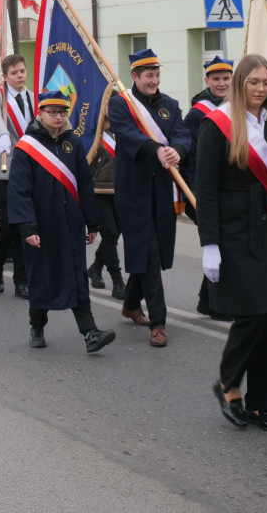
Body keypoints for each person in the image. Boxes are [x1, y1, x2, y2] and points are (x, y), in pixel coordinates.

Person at [195, 54, 267, 432]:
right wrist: (210, 243)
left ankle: (259, 404)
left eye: (266, 83)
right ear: (240, 84)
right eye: (254, 82)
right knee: (253, 312)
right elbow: (205, 189)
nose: (260, 89)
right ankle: (227, 382)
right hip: (235, 230)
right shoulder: (217, 125)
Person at [8, 90, 116, 354]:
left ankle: (90, 333)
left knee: (77, 277)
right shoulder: (26, 147)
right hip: (41, 226)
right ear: (40, 113)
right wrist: (27, 227)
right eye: (52, 112)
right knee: (42, 277)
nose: (58, 117)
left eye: (62, 112)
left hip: (71, 224)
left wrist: (92, 223)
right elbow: (19, 190)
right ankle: (37, 326)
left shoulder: (73, 143)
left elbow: (83, 183)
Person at [108, 48, 192, 348]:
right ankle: (158, 322)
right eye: (148, 76)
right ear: (135, 77)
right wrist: (155, 147)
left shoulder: (170, 105)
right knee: (150, 252)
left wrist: (177, 150)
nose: (153, 80)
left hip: (163, 191)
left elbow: (183, 134)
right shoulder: (121, 104)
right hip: (134, 191)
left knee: (148, 251)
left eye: (157, 75)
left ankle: (131, 303)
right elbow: (127, 133)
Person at [0, 54, 31, 298]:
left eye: (22, 71)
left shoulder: (33, 98)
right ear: (5, 76)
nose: (20, 76)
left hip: (27, 170)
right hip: (1, 169)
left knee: (25, 225)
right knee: (9, 223)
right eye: (14, 73)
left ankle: (22, 280)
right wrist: (2, 134)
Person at [85, 85, 126, 299]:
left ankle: (95, 268)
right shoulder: (93, 131)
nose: (113, 108)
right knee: (109, 234)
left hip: (120, 190)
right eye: (109, 105)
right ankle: (118, 281)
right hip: (98, 190)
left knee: (114, 235)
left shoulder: (125, 128)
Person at [183, 55, 234, 210]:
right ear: (207, 81)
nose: (222, 83)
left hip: (236, 185)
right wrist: (193, 192)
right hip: (210, 186)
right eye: (216, 79)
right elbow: (191, 157)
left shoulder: (240, 107)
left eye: (226, 78)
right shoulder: (196, 114)